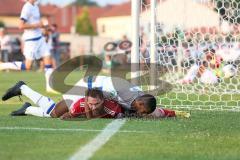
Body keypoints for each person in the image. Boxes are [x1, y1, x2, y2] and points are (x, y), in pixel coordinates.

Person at [0, 0, 56, 93]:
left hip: (40, 38)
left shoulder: (36, 6)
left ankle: (50, 88)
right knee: (27, 66)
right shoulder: (27, 7)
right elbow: (20, 26)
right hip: (31, 41)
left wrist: (47, 27)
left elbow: (38, 24)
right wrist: (37, 25)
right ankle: (3, 65)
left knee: (48, 58)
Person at [1, 81, 124, 120]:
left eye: (97, 104)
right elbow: (71, 114)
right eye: (91, 105)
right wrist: (71, 115)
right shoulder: (79, 103)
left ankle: (27, 109)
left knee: (52, 114)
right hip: (78, 91)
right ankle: (22, 88)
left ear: (103, 100)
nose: (94, 107)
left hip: (93, 89)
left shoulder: (113, 105)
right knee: (53, 113)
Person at [63, 76, 157, 115]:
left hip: (101, 84)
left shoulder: (141, 97)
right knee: (64, 110)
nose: (141, 114)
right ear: (140, 103)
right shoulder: (122, 93)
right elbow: (93, 93)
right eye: (143, 111)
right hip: (88, 84)